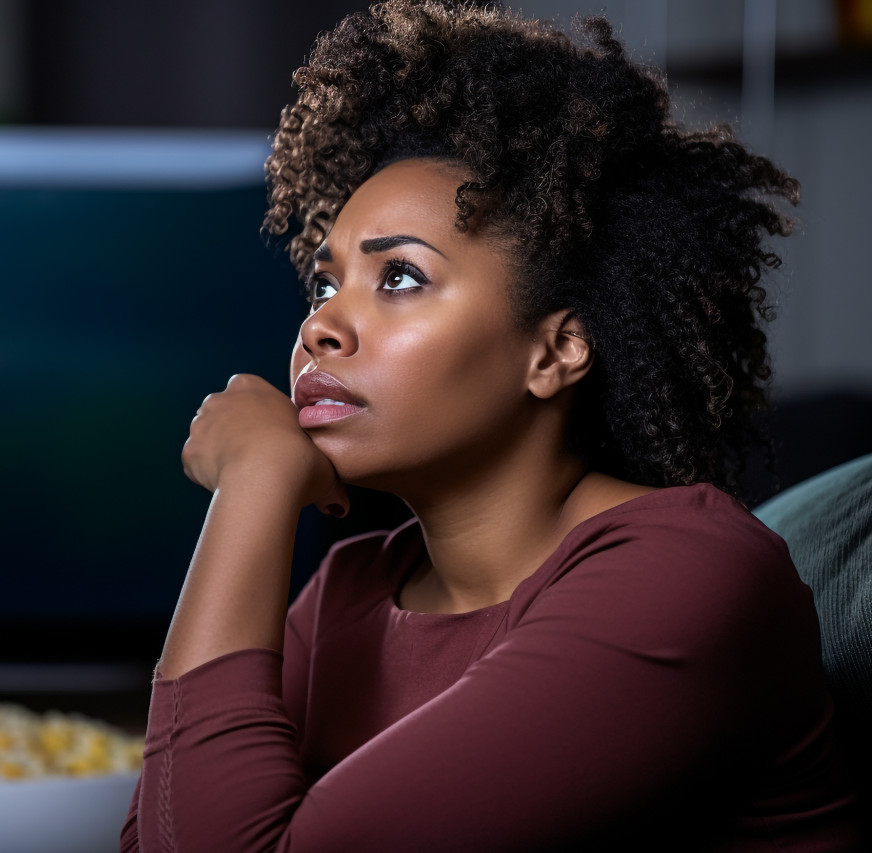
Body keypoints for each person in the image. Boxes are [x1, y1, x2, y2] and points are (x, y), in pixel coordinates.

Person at [120, 2, 865, 850]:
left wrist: (253, 482)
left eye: (399, 277)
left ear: (556, 350)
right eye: (325, 287)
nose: (319, 329)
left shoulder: (685, 580)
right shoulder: (350, 594)